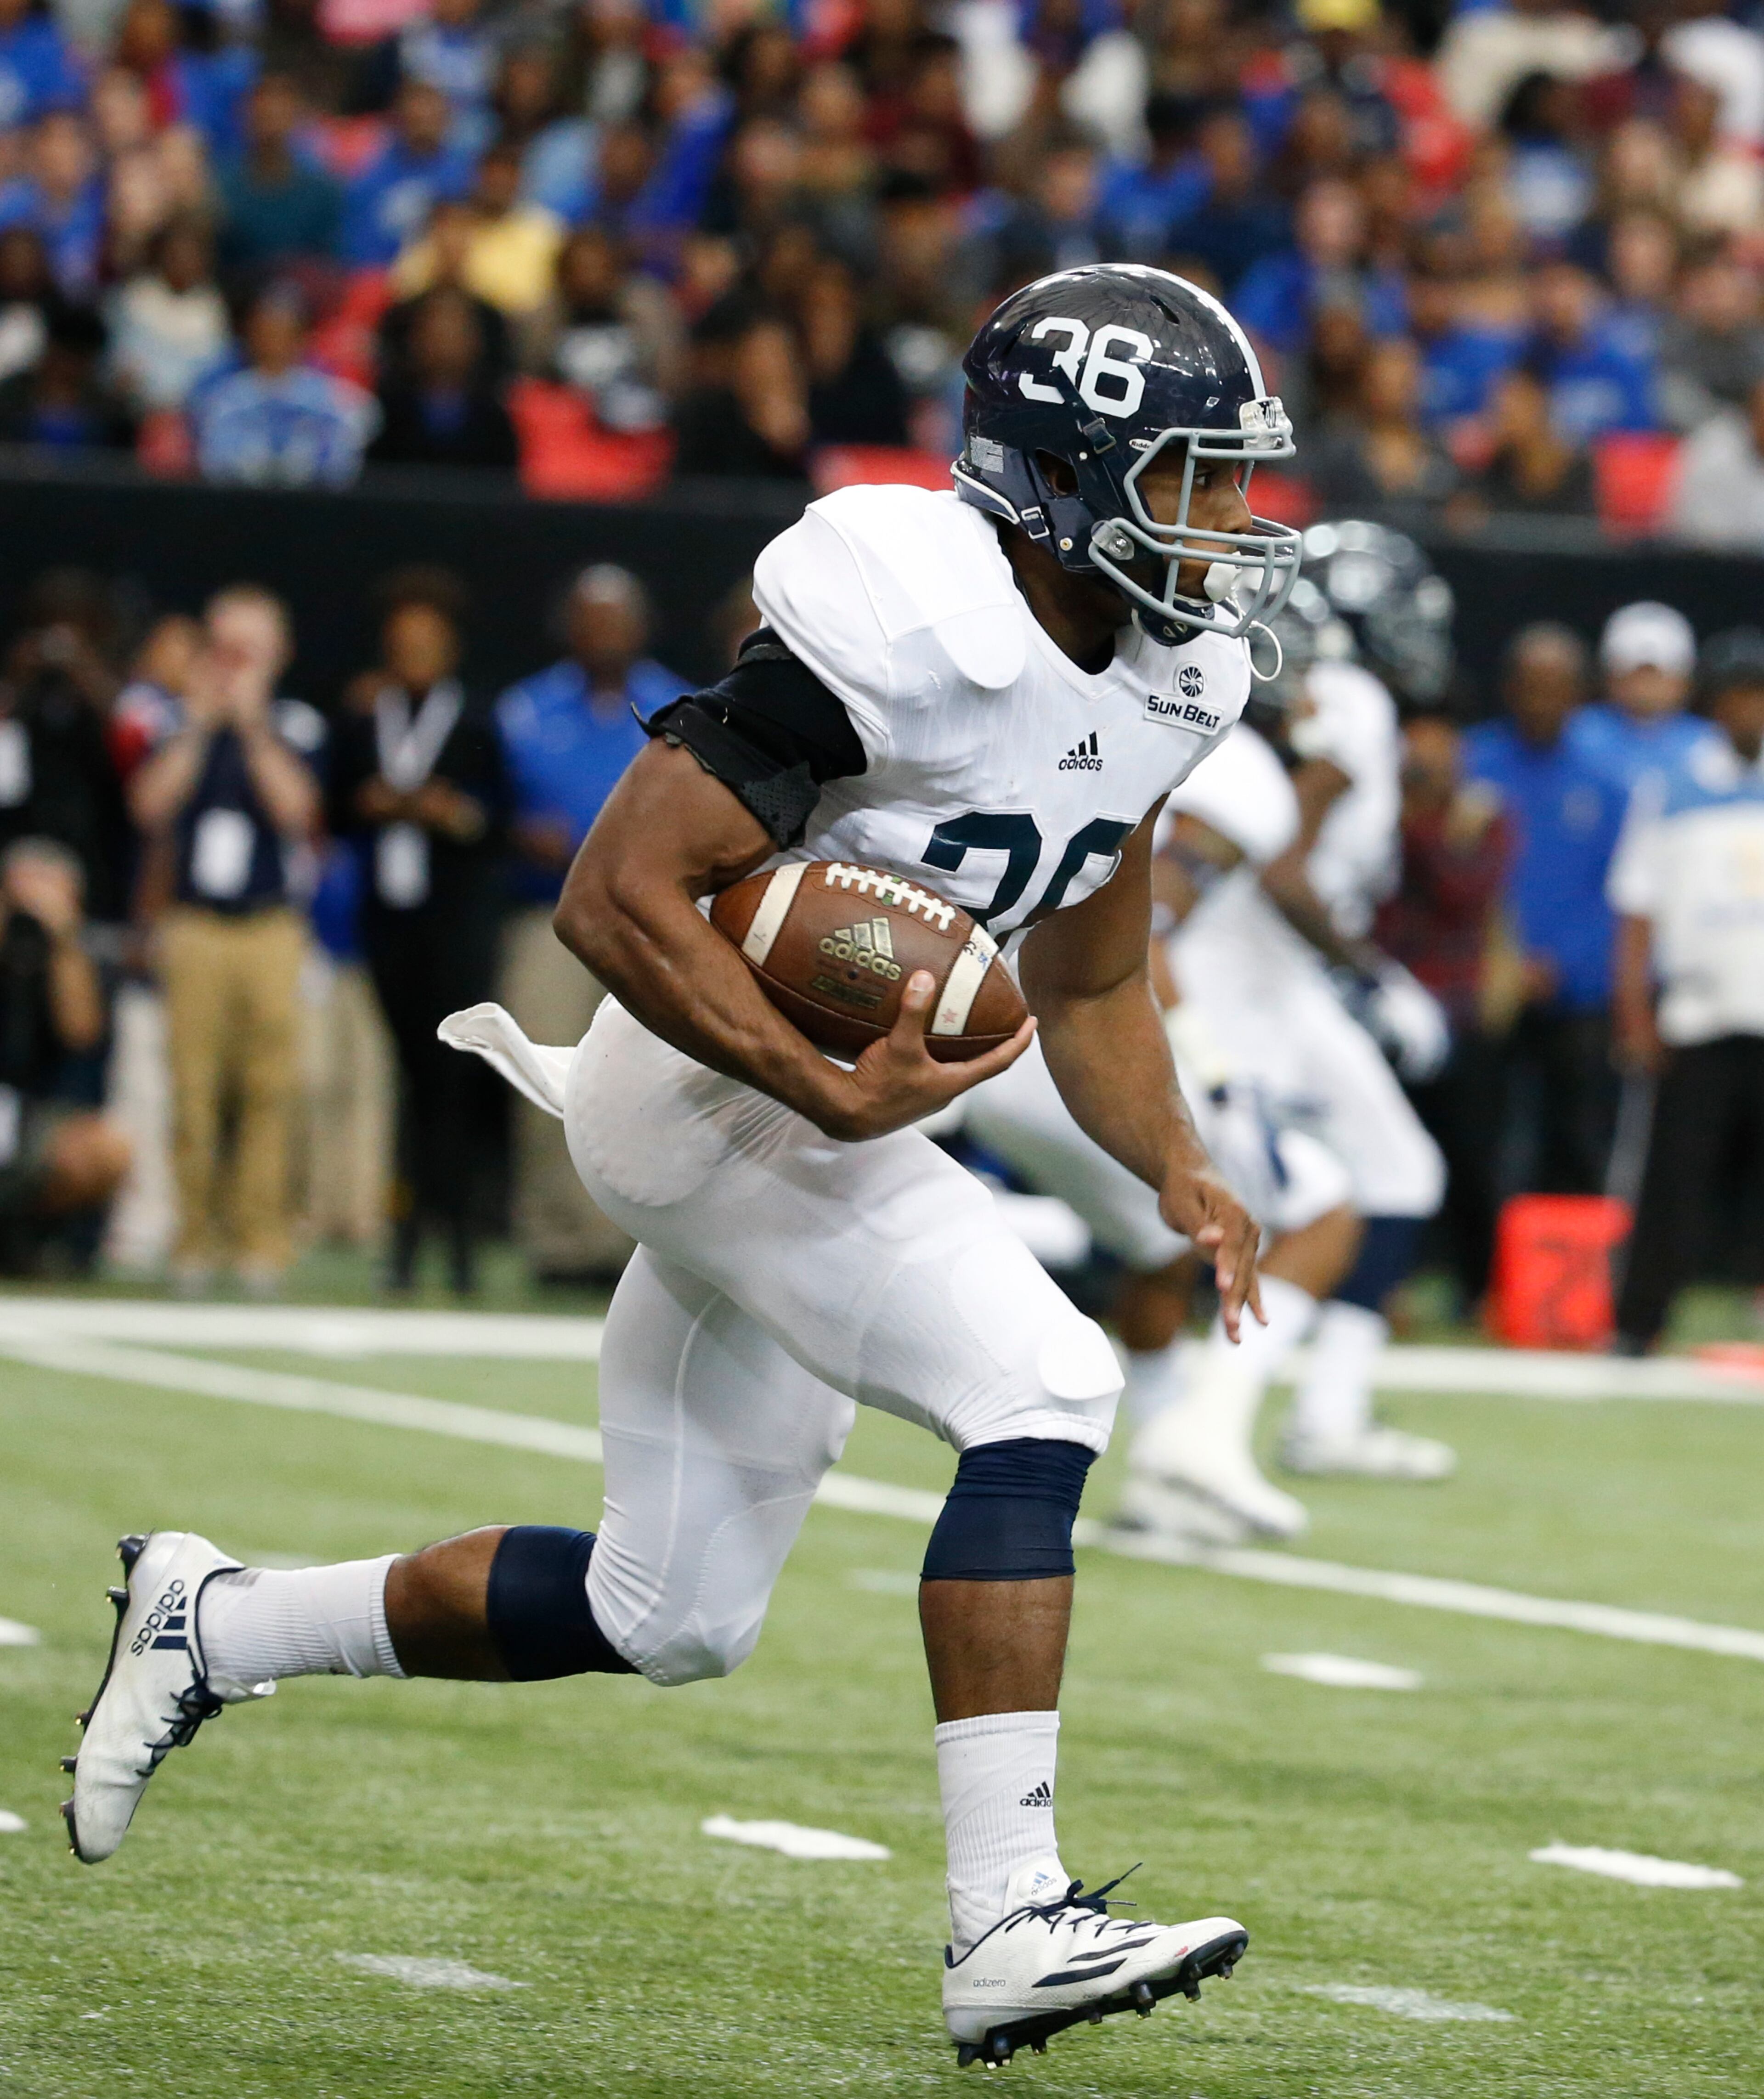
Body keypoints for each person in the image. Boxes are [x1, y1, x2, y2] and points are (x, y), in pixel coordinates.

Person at [67, 264, 1291, 2070]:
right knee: (1044, 1375)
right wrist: (814, 1069)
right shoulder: (910, 617)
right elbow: (614, 889)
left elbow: (1091, 967)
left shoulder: (1176, 669)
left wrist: (1178, 1163)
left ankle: (215, 1616)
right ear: (1059, 477)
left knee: (671, 1610)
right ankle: (1007, 1915)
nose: (1227, 522)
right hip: (701, 1099)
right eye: (1187, 477)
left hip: (809, 1125)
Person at [964, 719, 1363, 1549]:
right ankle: (1205, 1440)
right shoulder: (1235, 764)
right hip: (1068, 1035)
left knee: (1160, 1247)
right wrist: (1215, 1068)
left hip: (991, 1025)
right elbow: (1145, 928)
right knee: (1325, 1209)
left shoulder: (1101, 709)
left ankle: (1158, 1458)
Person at [126, 587, 324, 1295]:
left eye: (251, 649)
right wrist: (201, 725)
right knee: (193, 1085)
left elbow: (297, 810)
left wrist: (251, 727)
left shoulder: (294, 724)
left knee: (270, 1086)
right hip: (195, 922)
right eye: (225, 647)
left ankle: (259, 1239)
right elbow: (148, 805)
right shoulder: (175, 721)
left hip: (270, 924)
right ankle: (194, 1237)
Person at [495, 565, 688, 1281]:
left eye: (615, 620)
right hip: (547, 914)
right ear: (567, 628)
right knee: (547, 1071)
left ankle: (634, 1245)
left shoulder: (678, 702)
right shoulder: (525, 709)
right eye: (589, 619)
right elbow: (498, 808)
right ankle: (555, 1237)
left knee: (644, 1081)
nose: (603, 634)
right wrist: (520, 833)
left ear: (640, 628)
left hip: (648, 916)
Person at [326, 568, 507, 1294]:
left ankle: (460, 1248)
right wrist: (370, 804)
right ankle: (402, 1246)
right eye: (402, 646)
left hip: (456, 921)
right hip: (389, 919)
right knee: (404, 1080)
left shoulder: (473, 723)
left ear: (451, 649)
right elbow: (332, 809)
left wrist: (449, 813)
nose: (414, 658)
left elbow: (497, 819)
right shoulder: (364, 720)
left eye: (427, 645)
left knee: (452, 1082)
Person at [1609, 627, 1764, 1351]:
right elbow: (1637, 909)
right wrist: (1636, 1013)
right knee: (1676, 1176)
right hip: (1700, 1009)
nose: (1752, 710)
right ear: (1719, 702)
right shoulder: (1672, 781)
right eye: (1741, 695)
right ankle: (1641, 1321)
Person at [1465, 623, 1627, 1196]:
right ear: (1509, 688)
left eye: (1556, 687)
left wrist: (1560, 962)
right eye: (1531, 685)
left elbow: (1621, 892)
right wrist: (1504, 962)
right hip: (1484, 986)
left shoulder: (1608, 781)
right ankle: (1485, 1276)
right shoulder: (1473, 764)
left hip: (1576, 993)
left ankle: (1570, 1277)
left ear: (1579, 694)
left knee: (1578, 1137)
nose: (1542, 700)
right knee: (1479, 1137)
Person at [1375, 713, 1512, 1306]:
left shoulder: (1481, 813)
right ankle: (1385, 1285)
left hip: (1455, 1009)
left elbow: (1465, 889)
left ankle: (1481, 1288)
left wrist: (1426, 824)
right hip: (1385, 1007)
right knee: (1384, 1151)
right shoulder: (1378, 810)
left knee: (1468, 1156)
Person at [0, 836, 131, 1270]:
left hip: (37, 1119)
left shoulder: (81, 955)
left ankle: (45, 1246)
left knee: (107, 1150)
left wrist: (62, 936)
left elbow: (81, 1032)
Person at [192, 283, 377, 486]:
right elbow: (216, 461)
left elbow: (342, 464)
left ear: (301, 339)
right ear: (250, 337)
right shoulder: (227, 398)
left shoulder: (330, 398)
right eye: (266, 333)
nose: (274, 343)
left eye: (283, 334)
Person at [366, 285, 519, 474]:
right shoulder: (386, 416)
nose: (444, 342)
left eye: (456, 332)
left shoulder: (495, 422)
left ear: (477, 342)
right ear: (414, 340)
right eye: (435, 331)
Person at [1576, 600, 1717, 795]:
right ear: (1610, 678)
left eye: (1656, 675)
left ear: (1684, 681)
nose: (1645, 687)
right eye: (1635, 673)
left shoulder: (1710, 745)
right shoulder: (1577, 736)